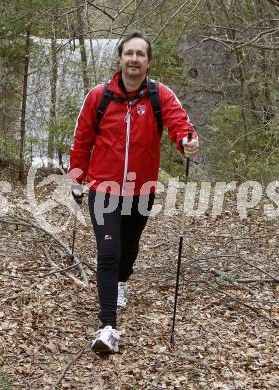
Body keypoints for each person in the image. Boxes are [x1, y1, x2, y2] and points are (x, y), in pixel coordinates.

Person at [68, 31, 199, 353]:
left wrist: (186, 141)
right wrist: (76, 179)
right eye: (129, 53)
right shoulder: (99, 97)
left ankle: (122, 282)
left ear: (148, 61)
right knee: (109, 252)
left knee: (129, 246)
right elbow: (82, 139)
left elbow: (179, 124)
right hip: (104, 187)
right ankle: (107, 326)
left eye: (141, 54)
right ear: (120, 58)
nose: (134, 59)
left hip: (142, 189)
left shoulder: (159, 95)